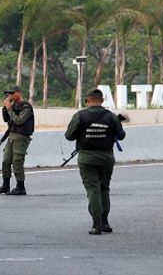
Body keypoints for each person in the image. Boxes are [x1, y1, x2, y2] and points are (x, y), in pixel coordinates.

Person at [65, 89, 126, 235]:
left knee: (93, 190)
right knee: (104, 188)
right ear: (102, 101)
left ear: (88, 100)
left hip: (87, 159)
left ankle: (96, 224)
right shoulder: (111, 117)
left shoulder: (80, 115)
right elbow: (121, 136)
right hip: (106, 158)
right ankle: (105, 222)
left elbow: (69, 136)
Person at [0, 85, 34, 196]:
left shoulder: (26, 107)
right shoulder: (13, 105)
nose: (9, 95)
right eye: (8, 94)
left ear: (18, 93)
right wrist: (5, 108)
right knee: (6, 161)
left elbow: (19, 120)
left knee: (17, 161)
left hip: (21, 137)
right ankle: (5, 185)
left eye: (12, 93)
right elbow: (6, 119)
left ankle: (20, 187)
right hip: (11, 135)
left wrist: (10, 108)